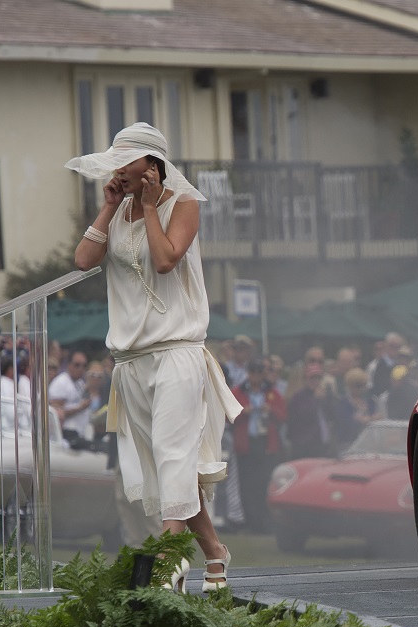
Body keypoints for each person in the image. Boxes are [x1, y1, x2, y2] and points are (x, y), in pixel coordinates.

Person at [68, 121, 241, 592]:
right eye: (116, 164)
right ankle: (215, 553)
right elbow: (83, 260)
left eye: (128, 162)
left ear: (153, 165)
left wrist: (148, 208)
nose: (119, 171)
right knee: (171, 469)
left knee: (173, 455)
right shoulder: (117, 208)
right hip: (131, 360)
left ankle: (168, 559)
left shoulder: (182, 203)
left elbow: (166, 259)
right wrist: (108, 209)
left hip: (177, 352)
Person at [230, 358, 287, 535]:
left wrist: (270, 411)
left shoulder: (271, 392)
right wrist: (242, 412)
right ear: (248, 373)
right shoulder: (238, 391)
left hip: (265, 443)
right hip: (246, 443)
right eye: (252, 372)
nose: (256, 377)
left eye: (259, 373)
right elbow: (228, 414)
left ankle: (265, 523)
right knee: (247, 485)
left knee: (264, 483)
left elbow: (283, 415)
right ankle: (250, 522)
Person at [49, 350, 93, 446]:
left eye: (83, 366)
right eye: (77, 365)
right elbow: (56, 415)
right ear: (69, 365)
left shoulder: (80, 383)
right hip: (66, 434)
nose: (80, 369)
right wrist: (80, 407)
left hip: (80, 432)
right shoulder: (61, 383)